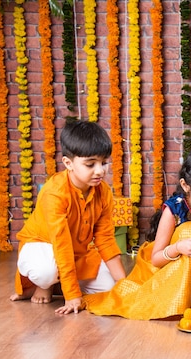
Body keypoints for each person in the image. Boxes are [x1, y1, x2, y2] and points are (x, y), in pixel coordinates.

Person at [84, 146, 191, 320]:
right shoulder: (174, 208)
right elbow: (156, 259)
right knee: (190, 230)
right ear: (185, 185)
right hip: (174, 266)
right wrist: (178, 248)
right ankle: (179, 300)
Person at [10, 120, 127, 315]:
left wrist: (125, 284)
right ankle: (45, 284)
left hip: (77, 253)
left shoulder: (103, 192)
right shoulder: (54, 193)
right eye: (90, 164)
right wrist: (72, 295)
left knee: (109, 287)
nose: (100, 171)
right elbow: (61, 244)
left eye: (104, 162)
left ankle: (57, 285)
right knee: (45, 271)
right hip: (44, 246)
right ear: (68, 163)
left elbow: (105, 239)